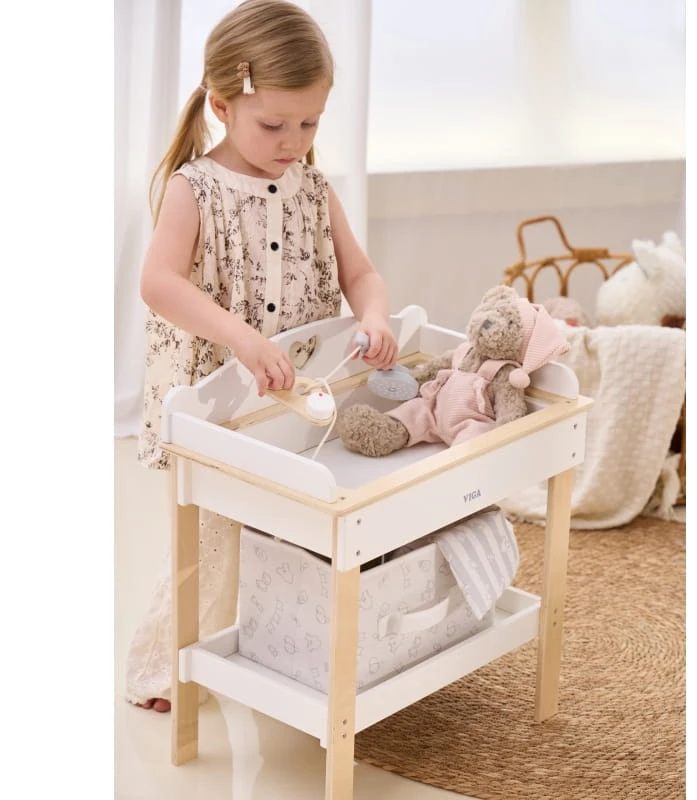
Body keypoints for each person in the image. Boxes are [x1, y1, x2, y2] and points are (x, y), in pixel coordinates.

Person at [125, 0, 398, 713]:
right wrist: (242, 339)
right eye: (274, 125)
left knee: (295, 530)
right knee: (213, 536)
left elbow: (361, 273)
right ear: (222, 106)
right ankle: (165, 668)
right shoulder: (195, 189)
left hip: (296, 397)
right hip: (223, 403)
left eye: (310, 124)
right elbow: (158, 282)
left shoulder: (315, 188)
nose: (294, 142)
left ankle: (285, 651)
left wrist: (374, 315)